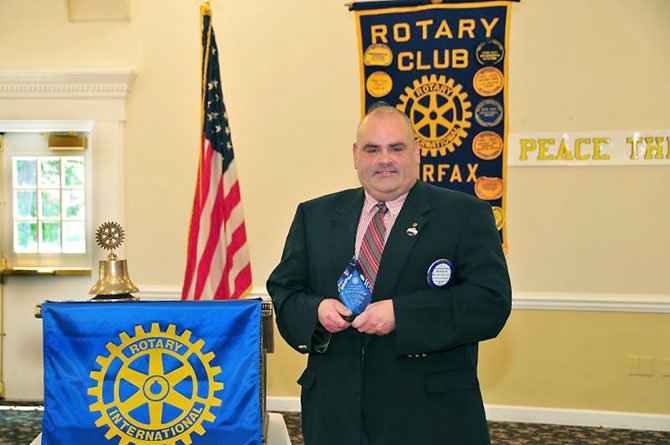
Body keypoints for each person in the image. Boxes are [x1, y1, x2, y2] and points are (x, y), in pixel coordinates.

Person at [267, 105, 511, 445]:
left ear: (417, 152)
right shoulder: (315, 216)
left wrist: (401, 314)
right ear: (356, 155)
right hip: (335, 414)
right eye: (372, 149)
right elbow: (285, 290)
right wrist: (317, 311)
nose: (385, 160)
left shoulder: (464, 215)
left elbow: (490, 303)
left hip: (427, 415)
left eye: (396, 148)